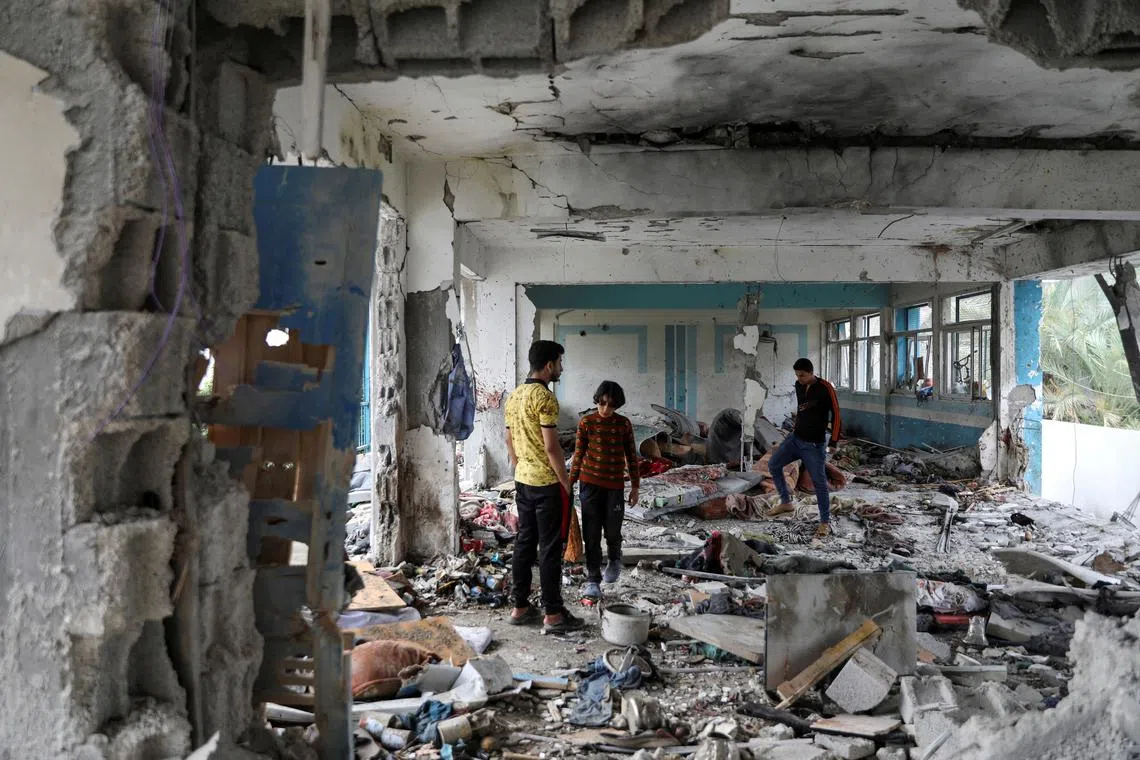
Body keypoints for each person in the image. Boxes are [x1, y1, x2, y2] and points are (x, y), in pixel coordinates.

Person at [504, 340, 584, 633]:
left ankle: (520, 606)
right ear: (549, 365)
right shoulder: (546, 399)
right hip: (547, 484)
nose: (561, 368)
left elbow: (508, 440)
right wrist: (566, 482)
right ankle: (553, 614)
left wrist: (519, 465)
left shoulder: (515, 396)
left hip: (523, 481)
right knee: (550, 547)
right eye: (560, 363)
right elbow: (552, 448)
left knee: (524, 542)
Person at [569, 381, 640, 600]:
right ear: (597, 400)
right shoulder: (586, 423)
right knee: (591, 534)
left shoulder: (624, 424)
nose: (605, 409)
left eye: (611, 405)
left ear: (617, 405)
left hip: (614, 487)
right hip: (589, 485)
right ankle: (592, 579)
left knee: (612, 530)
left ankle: (614, 559)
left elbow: (631, 456)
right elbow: (578, 455)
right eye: (602, 403)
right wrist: (569, 483)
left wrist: (635, 487)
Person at [767, 357, 842, 538]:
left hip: (814, 445)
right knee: (774, 464)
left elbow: (837, 414)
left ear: (811, 372)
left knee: (819, 483)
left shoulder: (825, 388)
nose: (799, 379)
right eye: (797, 375)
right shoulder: (799, 385)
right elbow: (802, 410)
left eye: (802, 375)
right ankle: (786, 502)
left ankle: (824, 522)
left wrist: (833, 441)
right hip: (795, 439)